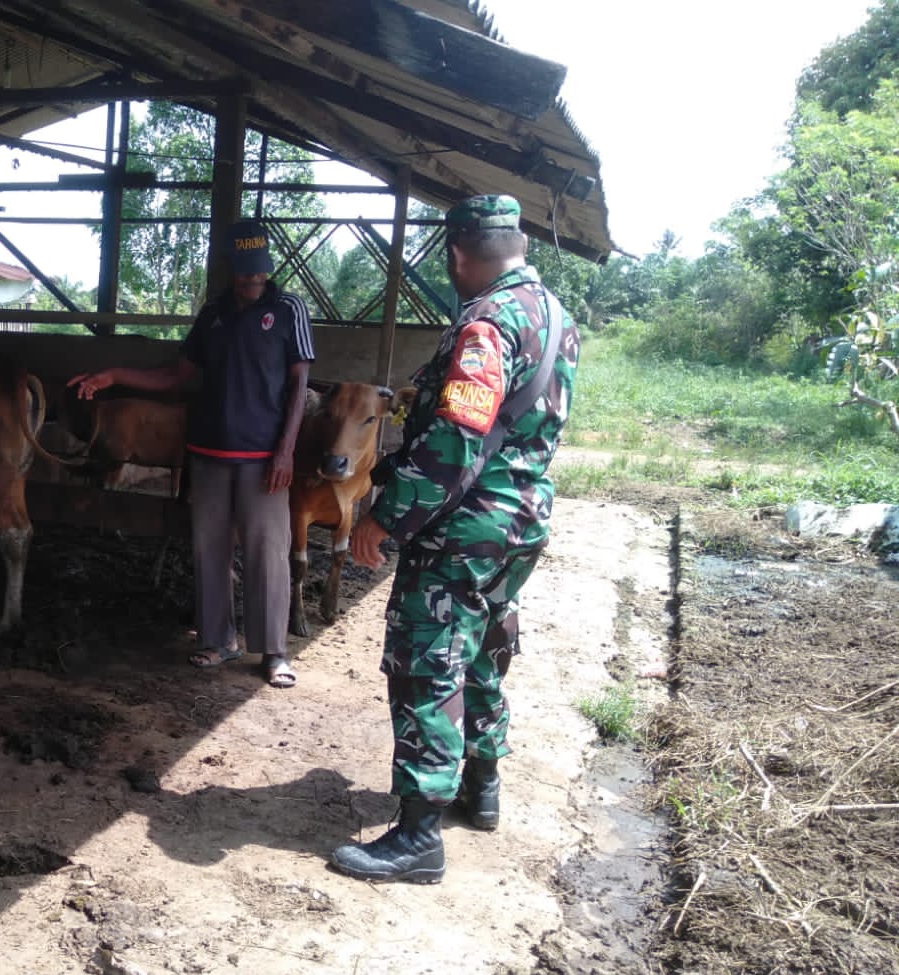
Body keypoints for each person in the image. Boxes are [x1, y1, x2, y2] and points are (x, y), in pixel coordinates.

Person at [332, 194, 578, 884]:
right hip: (520, 522)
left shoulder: (487, 323)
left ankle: (418, 835)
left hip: (467, 526)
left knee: (427, 659)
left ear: (458, 255)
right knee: (485, 650)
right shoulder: (555, 316)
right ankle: (482, 787)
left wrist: (389, 517)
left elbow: (456, 439)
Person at [68, 219, 315, 688]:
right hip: (208, 452)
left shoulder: (288, 310)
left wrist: (286, 451)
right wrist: (113, 376)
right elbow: (176, 376)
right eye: (244, 273)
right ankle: (219, 639)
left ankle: (274, 651)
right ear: (231, 269)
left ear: (267, 268)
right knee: (209, 548)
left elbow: (300, 382)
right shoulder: (213, 313)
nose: (252, 281)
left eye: (258, 272)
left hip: (264, 457)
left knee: (268, 549)